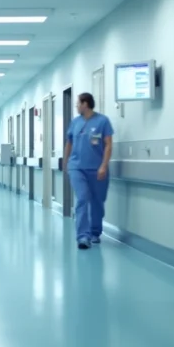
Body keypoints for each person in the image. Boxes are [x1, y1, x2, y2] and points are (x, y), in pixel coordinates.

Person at [64, 92, 113, 250]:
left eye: (78, 103)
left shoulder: (103, 121)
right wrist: (66, 163)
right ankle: (83, 236)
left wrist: (104, 165)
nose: (77, 106)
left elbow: (108, 144)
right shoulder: (75, 122)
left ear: (85, 104)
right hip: (77, 167)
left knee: (97, 202)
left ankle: (95, 232)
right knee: (83, 198)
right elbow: (69, 143)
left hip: (97, 169)